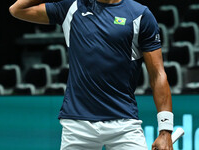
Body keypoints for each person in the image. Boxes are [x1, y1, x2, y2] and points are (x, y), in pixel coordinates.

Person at [9, 0, 174, 149]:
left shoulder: (139, 15)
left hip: (124, 124)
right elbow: (17, 9)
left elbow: (157, 75)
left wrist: (165, 130)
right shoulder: (71, 7)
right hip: (77, 124)